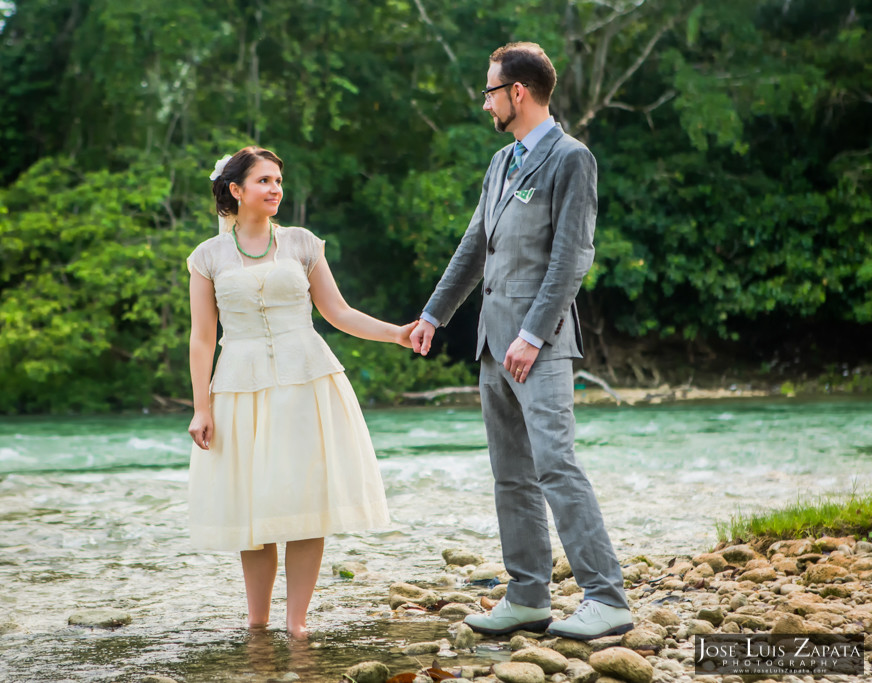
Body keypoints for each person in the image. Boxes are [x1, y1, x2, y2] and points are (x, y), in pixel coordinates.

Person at [409, 42, 633, 640]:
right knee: (510, 475)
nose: (484, 103)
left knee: (556, 466)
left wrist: (534, 334)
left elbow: (572, 257)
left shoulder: (570, 159)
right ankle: (529, 596)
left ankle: (606, 597)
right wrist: (434, 314)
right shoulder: (499, 163)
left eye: (489, 91)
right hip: (491, 343)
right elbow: (472, 248)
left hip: (542, 345)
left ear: (518, 92)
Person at [185, 146, 416, 639]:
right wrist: (201, 408)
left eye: (277, 181)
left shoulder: (302, 243)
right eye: (264, 180)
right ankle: (256, 622)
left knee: (307, 500)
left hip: (308, 379)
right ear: (236, 190)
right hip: (239, 387)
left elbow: (338, 313)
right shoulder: (207, 257)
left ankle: (298, 622)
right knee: (253, 506)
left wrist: (396, 332)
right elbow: (203, 337)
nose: (275, 189)